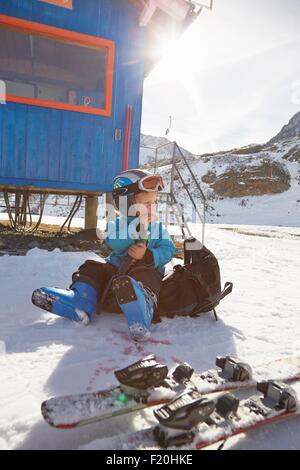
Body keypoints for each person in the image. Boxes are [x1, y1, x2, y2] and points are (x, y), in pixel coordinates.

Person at [32, 169, 175, 341]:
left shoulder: (158, 228)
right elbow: (114, 242)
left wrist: (148, 255)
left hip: (144, 272)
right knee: (91, 267)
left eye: (154, 203)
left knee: (147, 277)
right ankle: (80, 301)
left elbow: (168, 249)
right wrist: (137, 227)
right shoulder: (117, 224)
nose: (151, 208)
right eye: (146, 204)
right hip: (116, 270)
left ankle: (142, 310)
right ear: (126, 203)